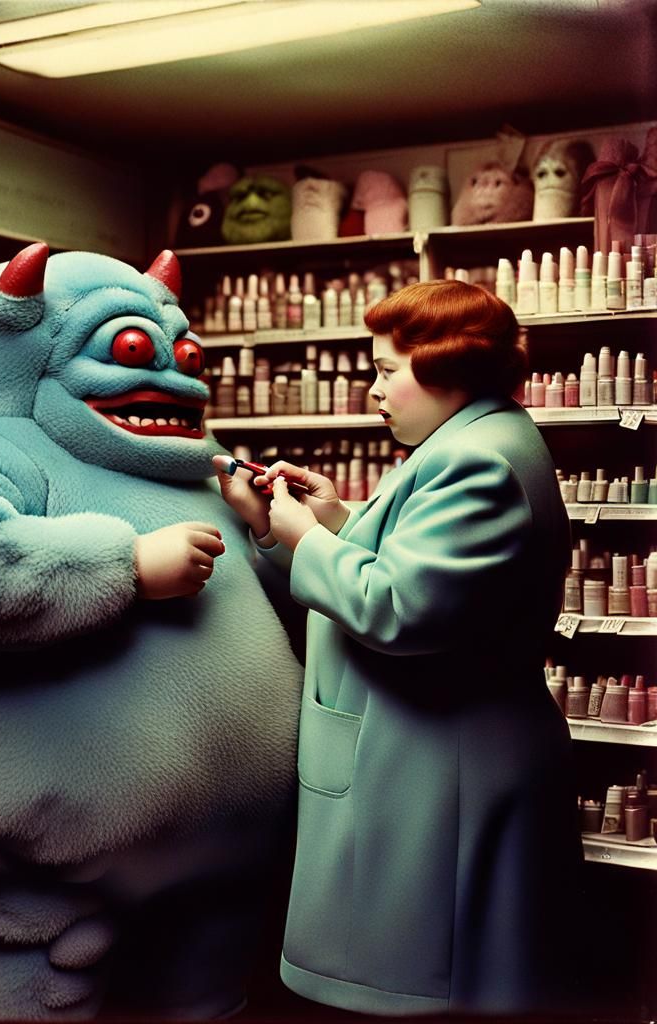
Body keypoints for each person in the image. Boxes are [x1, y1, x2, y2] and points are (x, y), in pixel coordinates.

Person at [214, 279, 582, 1017]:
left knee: (435, 983)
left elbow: (398, 606)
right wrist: (318, 522)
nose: (373, 386)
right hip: (433, 759)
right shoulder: (471, 438)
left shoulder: (475, 460)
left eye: (387, 369)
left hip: (436, 771)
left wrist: (308, 537)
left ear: (448, 370)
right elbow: (423, 572)